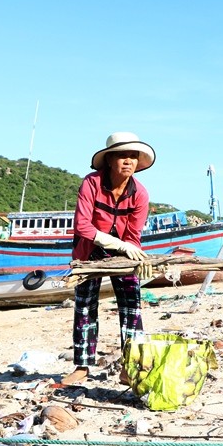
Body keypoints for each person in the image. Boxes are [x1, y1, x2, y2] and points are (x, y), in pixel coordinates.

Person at [61, 132, 155, 385]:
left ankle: (130, 365)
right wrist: (113, 242)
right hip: (89, 250)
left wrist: (133, 257)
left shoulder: (140, 194)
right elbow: (82, 226)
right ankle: (82, 365)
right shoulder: (91, 183)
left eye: (133, 157)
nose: (128, 161)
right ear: (110, 160)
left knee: (131, 306)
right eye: (122, 156)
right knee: (85, 306)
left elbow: (134, 235)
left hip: (122, 253)